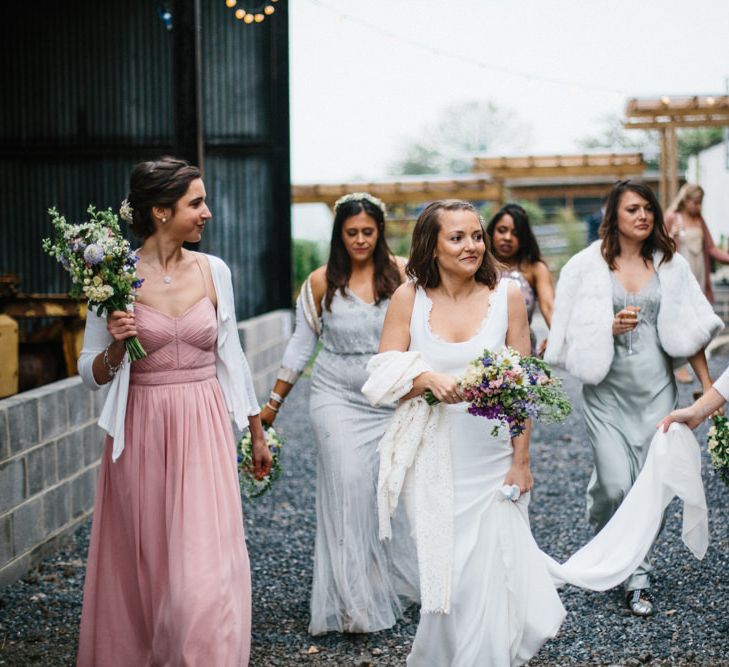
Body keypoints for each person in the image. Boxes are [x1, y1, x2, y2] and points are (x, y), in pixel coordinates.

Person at [76, 157, 271, 666]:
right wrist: (117, 348)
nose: (207, 212)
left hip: (204, 425)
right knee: (148, 568)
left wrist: (255, 430)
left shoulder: (214, 271)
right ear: (161, 211)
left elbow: (232, 355)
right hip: (141, 429)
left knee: (203, 573)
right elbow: (87, 371)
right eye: (196, 203)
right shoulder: (113, 274)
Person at [375, 199, 565, 665]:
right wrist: (425, 380)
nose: (472, 246)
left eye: (476, 235)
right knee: (448, 574)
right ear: (431, 245)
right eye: (457, 237)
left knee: (492, 572)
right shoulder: (409, 298)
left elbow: (522, 387)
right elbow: (380, 375)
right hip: (435, 456)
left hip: (493, 454)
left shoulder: (508, 295)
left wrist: (521, 463)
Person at [545, 179, 722, 617]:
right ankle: (606, 525)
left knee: (648, 484)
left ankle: (636, 577)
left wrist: (706, 388)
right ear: (614, 217)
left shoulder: (671, 265)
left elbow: (692, 330)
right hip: (606, 393)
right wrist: (607, 328)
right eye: (632, 210)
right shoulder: (584, 267)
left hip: (658, 389)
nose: (642, 216)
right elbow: (564, 337)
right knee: (612, 485)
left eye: (647, 208)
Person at [260, 192, 418, 635]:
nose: (361, 240)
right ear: (339, 235)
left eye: (368, 232)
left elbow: (425, 330)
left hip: (389, 398)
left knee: (388, 491)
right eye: (352, 233)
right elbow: (300, 344)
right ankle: (353, 598)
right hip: (334, 397)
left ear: (380, 231)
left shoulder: (405, 273)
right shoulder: (319, 282)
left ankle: (382, 575)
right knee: (348, 486)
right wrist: (273, 404)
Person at [666, 183, 729, 383]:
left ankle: (698, 367)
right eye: (695, 202)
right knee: (680, 320)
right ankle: (680, 366)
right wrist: (671, 236)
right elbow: (660, 249)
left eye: (701, 203)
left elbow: (710, 248)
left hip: (699, 278)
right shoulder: (672, 218)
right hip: (679, 278)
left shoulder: (699, 220)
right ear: (685, 200)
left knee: (697, 321)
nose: (698, 206)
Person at [486, 203, 554, 354]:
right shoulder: (479, 267)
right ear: (492, 232)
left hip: (523, 353)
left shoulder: (534, 268)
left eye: (516, 233)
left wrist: (556, 338)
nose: (508, 238)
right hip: (484, 352)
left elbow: (549, 307)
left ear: (524, 239)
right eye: (502, 230)